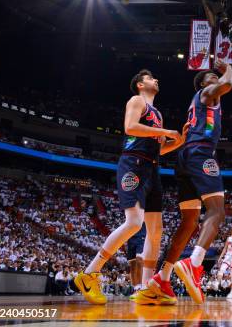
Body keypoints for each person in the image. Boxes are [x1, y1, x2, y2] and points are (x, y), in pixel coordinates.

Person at [73, 70, 185, 305]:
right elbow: (130, 127)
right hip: (133, 163)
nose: (156, 79)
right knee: (134, 222)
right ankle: (89, 273)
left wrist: (179, 142)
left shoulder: (158, 114)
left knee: (156, 232)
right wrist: (165, 132)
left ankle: (146, 289)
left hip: (152, 168)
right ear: (140, 84)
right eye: (151, 77)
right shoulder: (137, 101)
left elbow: (158, 150)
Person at [145, 60, 232, 305]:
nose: (215, 80)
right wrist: (227, 68)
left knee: (189, 222)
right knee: (217, 211)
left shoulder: (200, 100)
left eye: (214, 77)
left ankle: (161, 279)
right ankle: (194, 264)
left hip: (184, 157)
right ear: (203, 84)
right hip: (200, 154)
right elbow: (229, 83)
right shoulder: (206, 93)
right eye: (210, 78)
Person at [215, 227, 232, 299]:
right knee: (221, 269)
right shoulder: (229, 238)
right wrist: (220, 257)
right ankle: (217, 283)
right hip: (227, 256)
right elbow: (225, 248)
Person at [127, 224, 146, 300]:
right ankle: (136, 288)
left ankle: (141, 288)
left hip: (142, 235)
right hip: (130, 237)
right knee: (132, 264)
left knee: (139, 260)